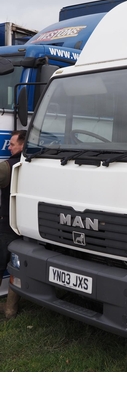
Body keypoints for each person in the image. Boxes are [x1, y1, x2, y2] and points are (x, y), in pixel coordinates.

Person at [0, 130, 26, 319]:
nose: (9, 147)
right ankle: (10, 310)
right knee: (17, 268)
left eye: (12, 144)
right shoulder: (35, 165)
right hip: (26, 228)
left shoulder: (7, 167)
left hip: (7, 226)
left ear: (23, 145)